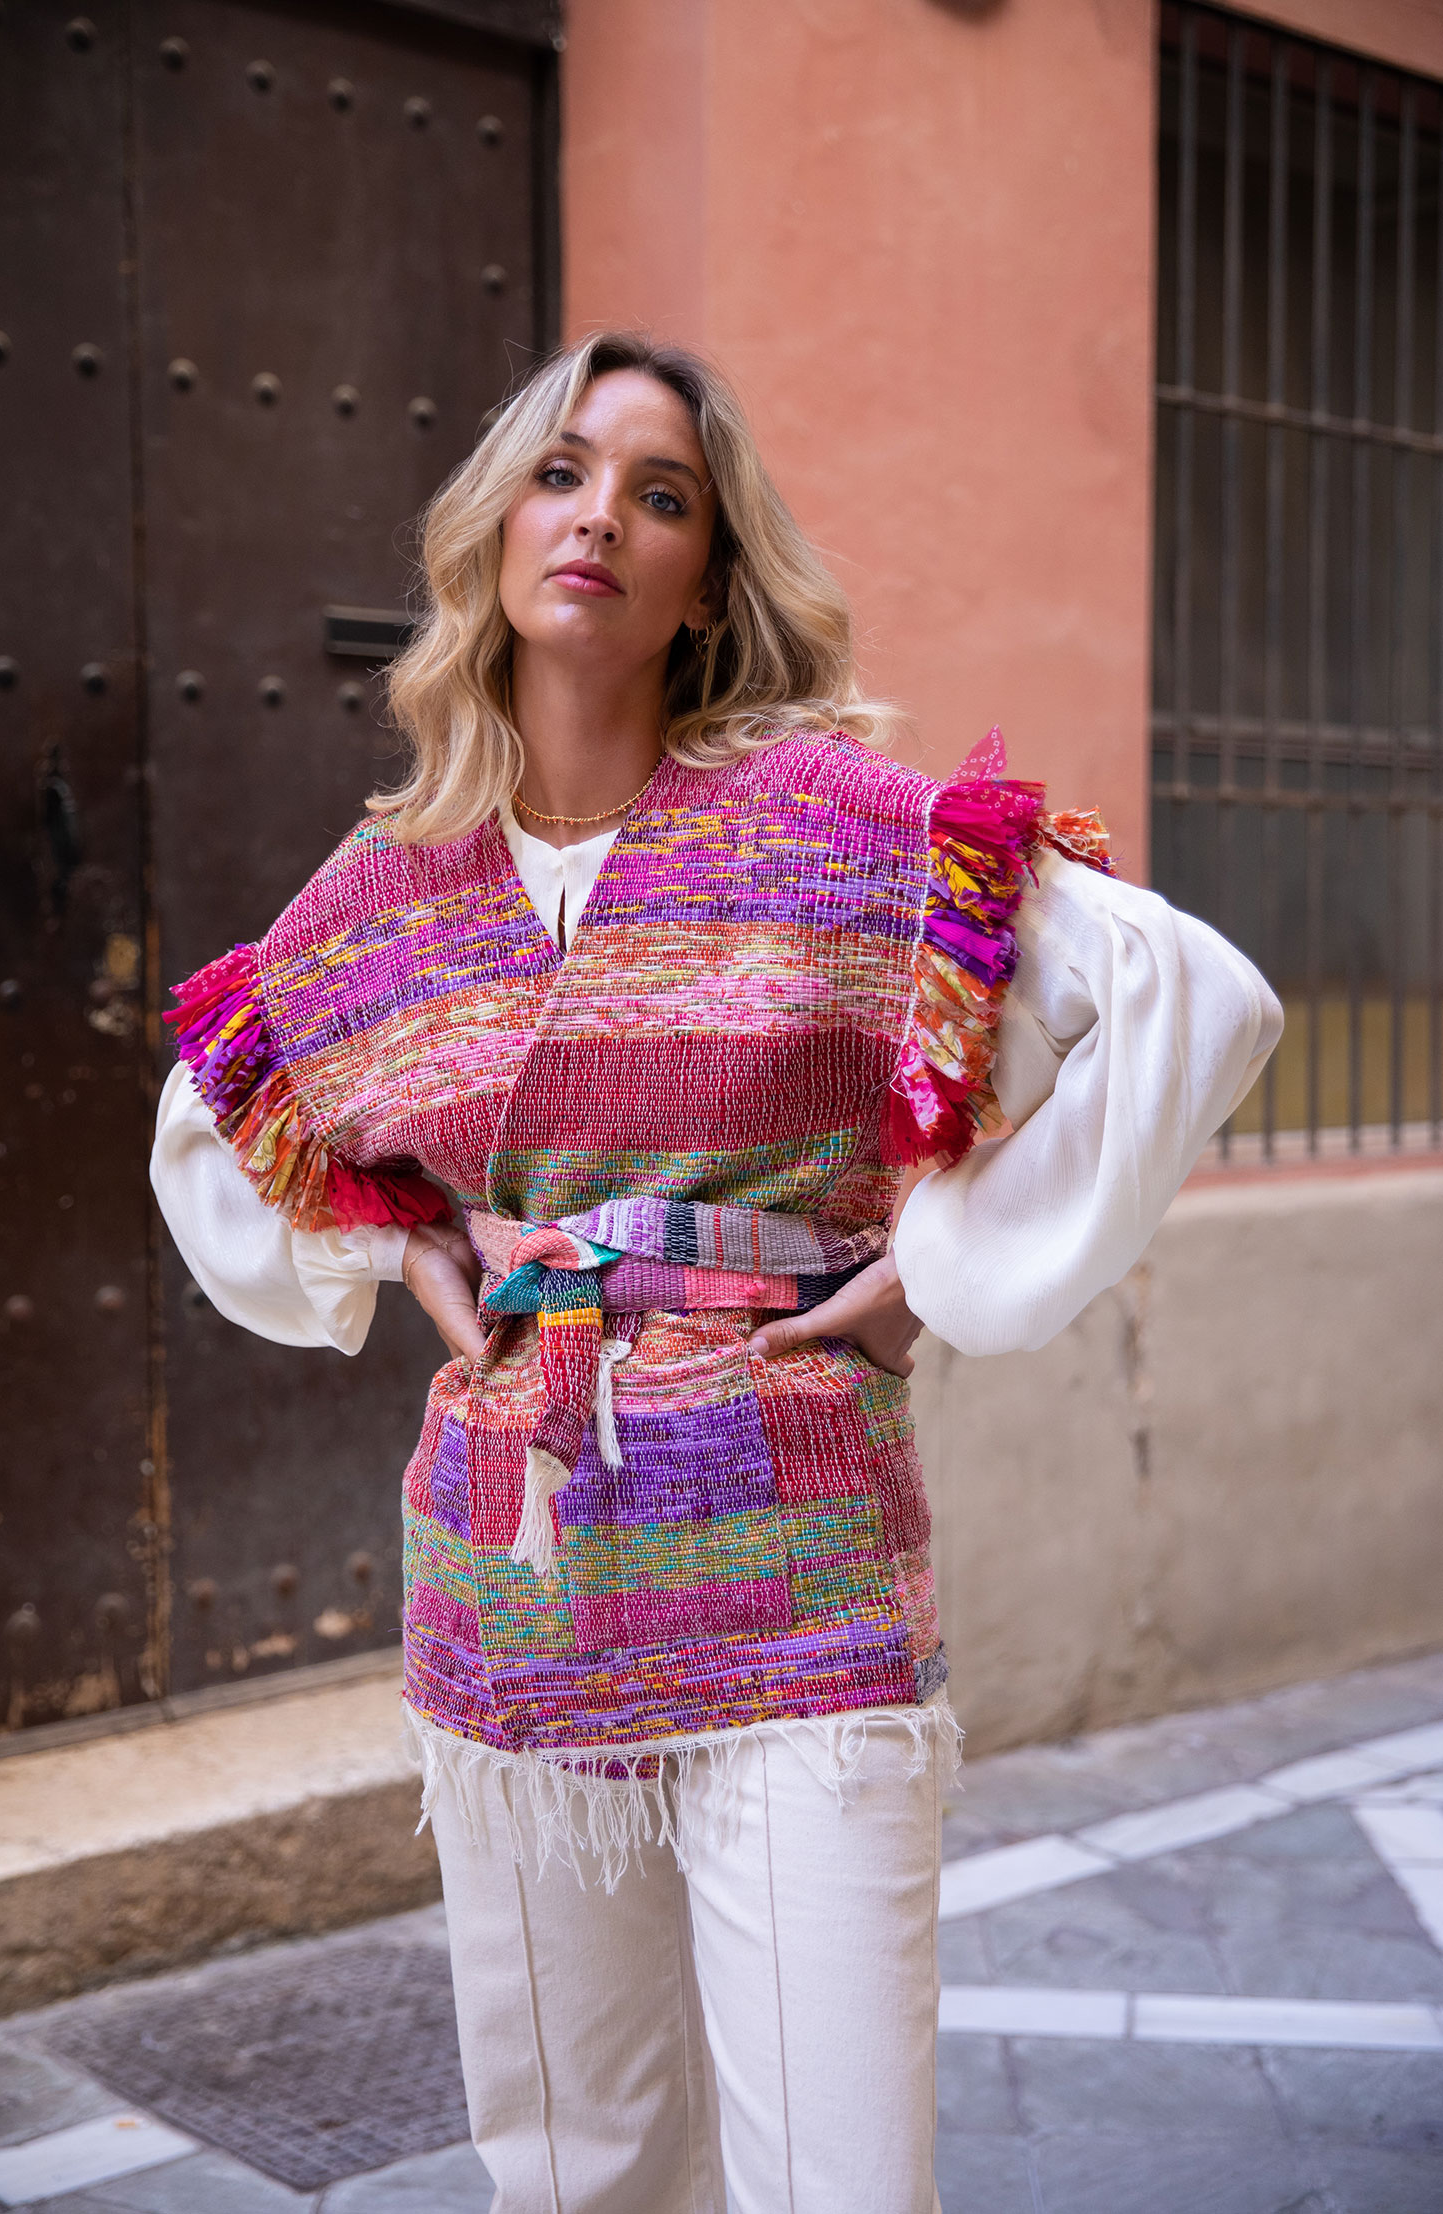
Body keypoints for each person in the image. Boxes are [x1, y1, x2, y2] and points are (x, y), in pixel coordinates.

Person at [151, 331, 1281, 2214]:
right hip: (514, 1582)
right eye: (561, 472)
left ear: (705, 580)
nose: (600, 515)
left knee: (838, 2177)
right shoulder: (380, 892)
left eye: (658, 493)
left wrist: (939, 1267)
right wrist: (401, 1238)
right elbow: (214, 1121)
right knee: (579, 2168)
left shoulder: (831, 825)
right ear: (493, 530)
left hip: (801, 1575)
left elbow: (1195, 998)